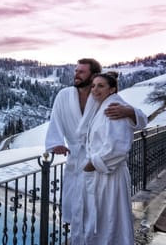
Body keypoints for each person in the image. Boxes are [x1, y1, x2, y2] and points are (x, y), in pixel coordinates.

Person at [44, 58, 147, 244]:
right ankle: (81, 238)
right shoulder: (64, 95)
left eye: (81, 72)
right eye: (76, 71)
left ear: (93, 75)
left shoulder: (103, 98)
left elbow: (136, 120)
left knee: (101, 211)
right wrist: (55, 142)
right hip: (77, 159)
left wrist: (130, 112)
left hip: (99, 163)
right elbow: (55, 119)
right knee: (78, 208)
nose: (76, 74)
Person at [81, 72, 135, 244]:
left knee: (111, 219)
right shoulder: (104, 105)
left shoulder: (114, 109)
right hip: (103, 175)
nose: (95, 89)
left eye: (101, 86)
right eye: (93, 85)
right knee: (106, 219)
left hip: (110, 176)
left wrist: (93, 163)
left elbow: (118, 147)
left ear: (112, 89)